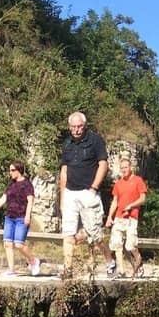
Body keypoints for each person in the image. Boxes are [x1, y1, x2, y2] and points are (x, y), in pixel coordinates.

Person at [58, 112, 116, 278]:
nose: (76, 130)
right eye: (73, 127)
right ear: (69, 127)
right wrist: (63, 197)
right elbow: (64, 170)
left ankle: (110, 260)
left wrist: (94, 187)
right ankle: (67, 270)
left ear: (85, 125)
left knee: (95, 235)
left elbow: (103, 164)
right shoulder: (67, 143)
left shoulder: (95, 140)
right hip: (70, 192)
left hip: (88, 192)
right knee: (68, 233)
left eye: (79, 126)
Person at [0, 160, 42, 277]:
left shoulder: (27, 184)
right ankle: (11, 270)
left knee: (19, 244)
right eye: (10, 170)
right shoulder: (11, 184)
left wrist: (27, 215)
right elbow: (3, 198)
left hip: (21, 217)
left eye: (12, 170)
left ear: (19, 171)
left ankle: (33, 261)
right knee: (7, 243)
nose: (10, 172)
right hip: (10, 217)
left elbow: (30, 200)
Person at [105, 158, 147, 278]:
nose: (124, 170)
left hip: (131, 217)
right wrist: (109, 217)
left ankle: (139, 263)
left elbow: (142, 199)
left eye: (126, 167)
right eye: (122, 168)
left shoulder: (138, 181)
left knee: (130, 246)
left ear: (131, 167)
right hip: (119, 217)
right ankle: (121, 270)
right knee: (116, 244)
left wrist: (131, 205)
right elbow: (115, 201)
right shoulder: (118, 183)